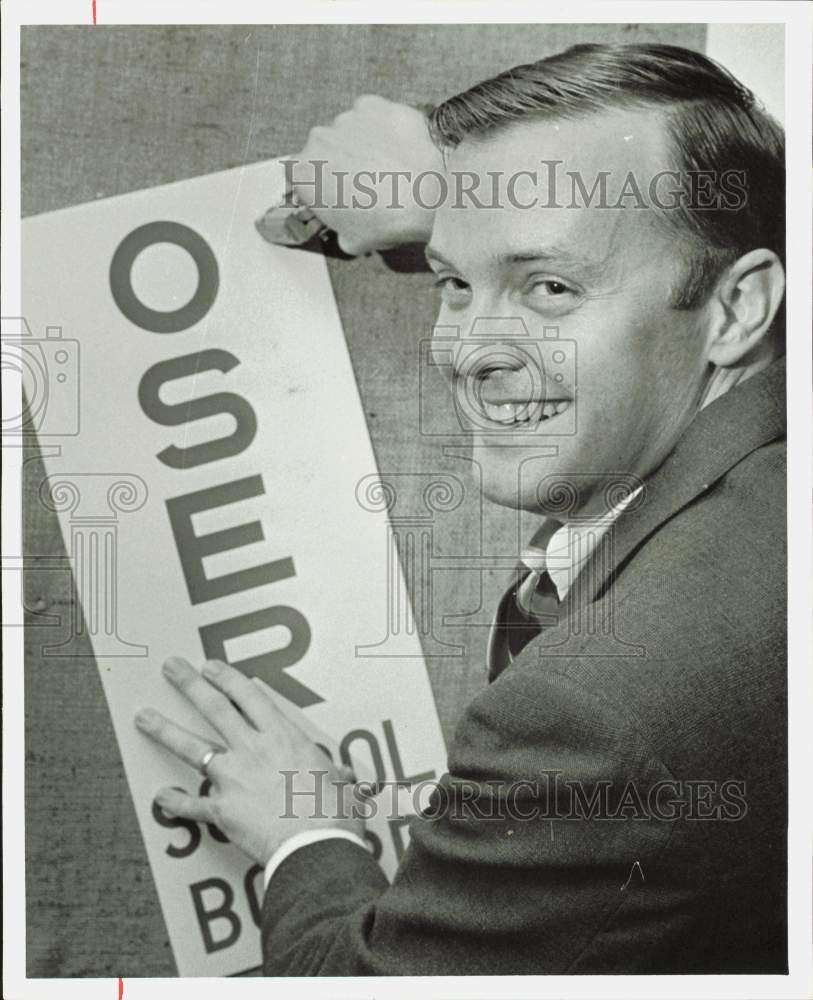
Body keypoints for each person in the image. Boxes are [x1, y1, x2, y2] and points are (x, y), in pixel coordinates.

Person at [134, 43, 787, 974]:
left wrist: (305, 838)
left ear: (736, 309)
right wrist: (460, 210)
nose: (469, 349)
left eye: (550, 287)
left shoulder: (592, 717)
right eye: (454, 282)